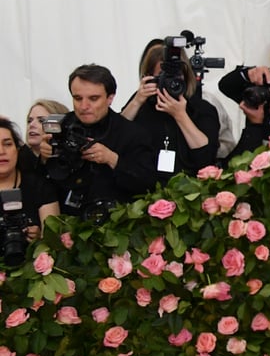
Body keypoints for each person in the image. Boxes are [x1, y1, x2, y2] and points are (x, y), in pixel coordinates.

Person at [42, 64, 158, 219]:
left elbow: (148, 184)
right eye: (77, 98)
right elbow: (39, 182)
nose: (84, 106)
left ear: (110, 98)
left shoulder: (132, 133)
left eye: (93, 98)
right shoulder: (61, 127)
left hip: (117, 225)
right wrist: (43, 155)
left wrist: (112, 159)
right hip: (68, 223)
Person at [120, 39, 220, 178]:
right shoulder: (141, 104)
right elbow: (116, 138)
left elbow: (205, 159)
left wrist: (180, 115)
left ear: (186, 75)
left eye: (177, 76)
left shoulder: (202, 109)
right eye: (163, 76)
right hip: (144, 185)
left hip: (188, 187)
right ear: (148, 77)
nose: (171, 81)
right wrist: (137, 101)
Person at [0, 118, 58, 254]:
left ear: (17, 149)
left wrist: (40, 239)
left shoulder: (39, 185)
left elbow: (54, 241)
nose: (1, 151)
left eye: (7, 144)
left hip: (32, 266)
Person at [23, 99, 68, 171]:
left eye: (41, 121)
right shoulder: (15, 159)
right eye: (29, 121)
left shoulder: (70, 161)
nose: (31, 125)